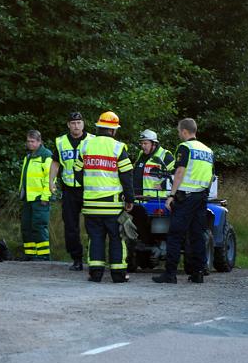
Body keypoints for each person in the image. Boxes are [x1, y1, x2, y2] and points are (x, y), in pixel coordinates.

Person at [74, 111, 135, 283]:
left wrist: (87, 185)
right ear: (114, 130)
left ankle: (95, 274)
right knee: (117, 238)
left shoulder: (85, 146)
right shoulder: (118, 147)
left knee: (95, 239)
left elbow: (77, 171)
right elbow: (126, 175)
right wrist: (130, 199)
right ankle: (118, 275)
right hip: (112, 205)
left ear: (98, 127)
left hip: (91, 204)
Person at [153, 118, 214, 284]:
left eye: (179, 131)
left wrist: (171, 195)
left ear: (185, 131)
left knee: (174, 235)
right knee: (197, 236)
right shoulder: (208, 151)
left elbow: (180, 171)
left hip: (185, 197)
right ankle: (198, 273)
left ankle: (170, 274)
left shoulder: (185, 147)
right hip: (201, 197)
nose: (179, 134)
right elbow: (210, 177)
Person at [50, 112, 93, 271]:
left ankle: (94, 258)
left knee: (92, 225)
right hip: (69, 189)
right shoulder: (61, 142)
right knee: (70, 226)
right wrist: (51, 181)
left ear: (83, 124)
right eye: (73, 123)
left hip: (88, 189)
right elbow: (55, 163)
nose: (76, 126)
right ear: (68, 125)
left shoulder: (92, 141)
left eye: (79, 122)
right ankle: (77, 259)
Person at [130, 129, 175, 245]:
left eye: (146, 143)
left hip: (157, 200)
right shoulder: (141, 155)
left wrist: (164, 184)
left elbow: (177, 176)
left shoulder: (165, 156)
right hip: (139, 200)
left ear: (154, 144)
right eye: (141, 143)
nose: (143, 146)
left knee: (157, 233)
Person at [19, 130, 53, 260]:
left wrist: (45, 196)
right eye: (28, 141)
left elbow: (49, 178)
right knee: (26, 226)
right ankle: (30, 254)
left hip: (40, 198)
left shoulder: (46, 155)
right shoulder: (28, 156)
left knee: (39, 226)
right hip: (28, 197)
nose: (30, 144)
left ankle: (43, 255)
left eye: (32, 141)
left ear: (39, 142)